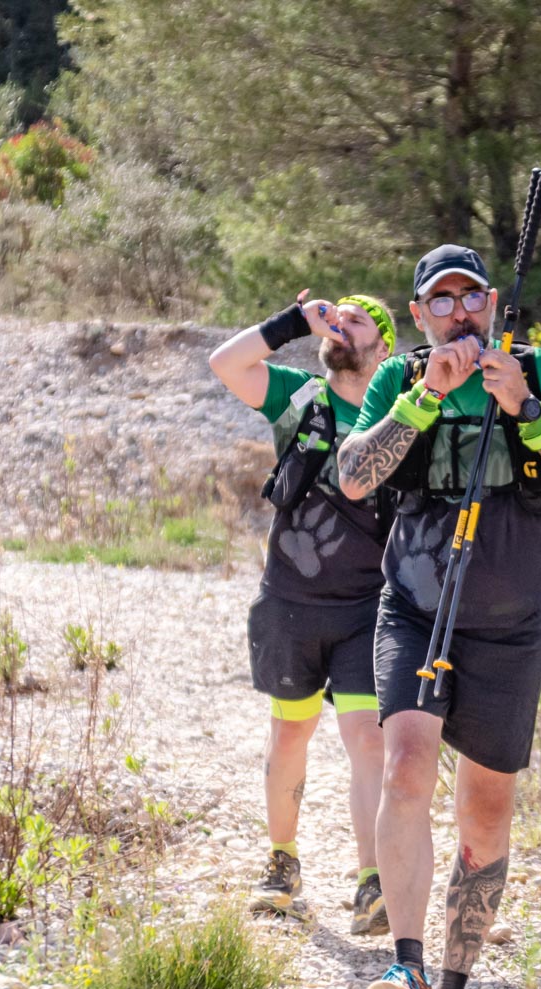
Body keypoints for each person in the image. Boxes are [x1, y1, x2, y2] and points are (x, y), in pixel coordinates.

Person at [336, 244, 541, 989]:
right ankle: (408, 967)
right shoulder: (400, 380)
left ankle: (456, 986)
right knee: (406, 765)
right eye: (441, 301)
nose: (458, 313)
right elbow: (354, 475)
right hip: (415, 610)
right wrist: (426, 397)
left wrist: (527, 409)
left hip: (509, 623)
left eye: (469, 298)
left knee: (486, 814)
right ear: (418, 315)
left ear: (492, 303)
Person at [208, 290, 399, 935]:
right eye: (334, 318)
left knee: (367, 738)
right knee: (290, 731)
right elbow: (226, 364)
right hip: (291, 601)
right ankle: (282, 864)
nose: (339, 325)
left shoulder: (396, 415)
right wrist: (292, 322)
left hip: (367, 607)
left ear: (384, 347)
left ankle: (372, 882)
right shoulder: (300, 397)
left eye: (356, 320)